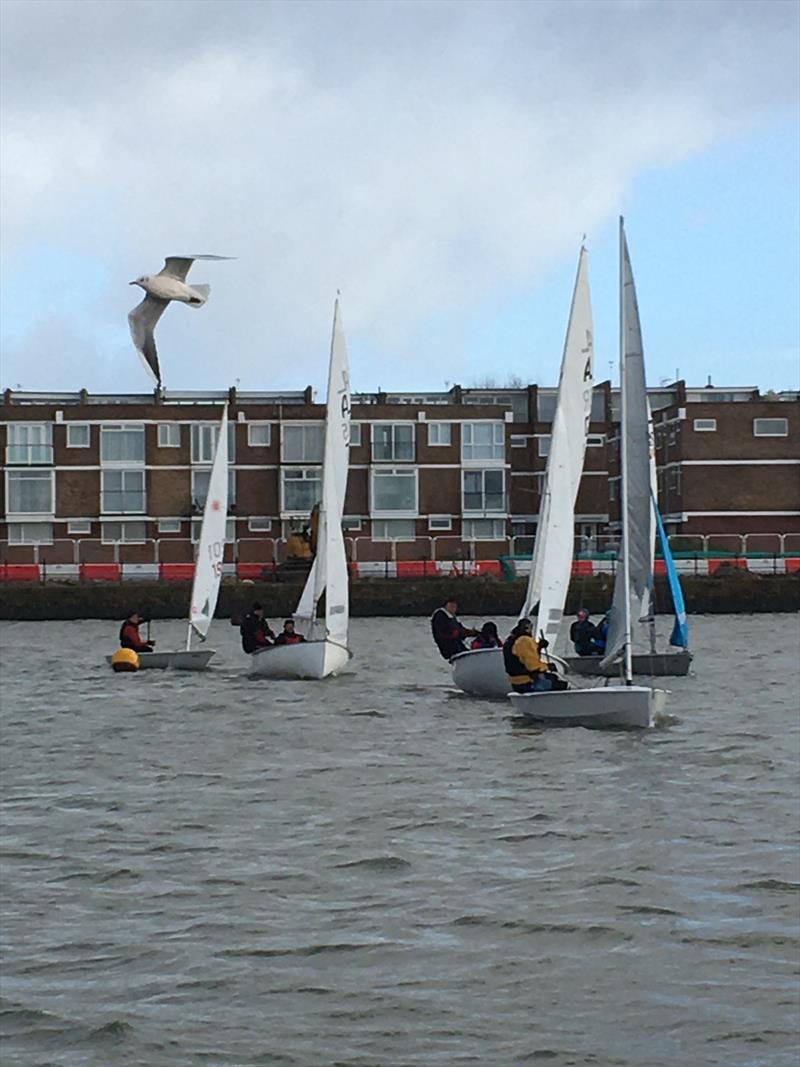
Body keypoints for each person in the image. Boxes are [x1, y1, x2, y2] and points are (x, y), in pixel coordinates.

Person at [503, 617, 566, 693]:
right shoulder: (525, 640)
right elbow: (532, 667)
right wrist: (548, 666)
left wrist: (539, 647)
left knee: (551, 678)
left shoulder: (511, 640)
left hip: (516, 683)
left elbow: (525, 658)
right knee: (559, 683)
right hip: (527, 682)